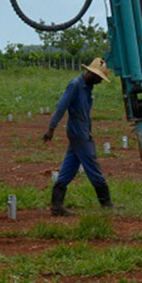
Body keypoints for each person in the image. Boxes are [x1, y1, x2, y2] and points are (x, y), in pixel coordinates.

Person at [42, 57, 114, 216]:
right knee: (93, 166)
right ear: (91, 74)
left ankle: (56, 205)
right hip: (78, 134)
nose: (100, 82)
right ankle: (106, 203)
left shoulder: (88, 88)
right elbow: (61, 107)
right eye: (99, 78)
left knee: (69, 167)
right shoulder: (75, 85)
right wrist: (51, 128)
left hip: (82, 132)